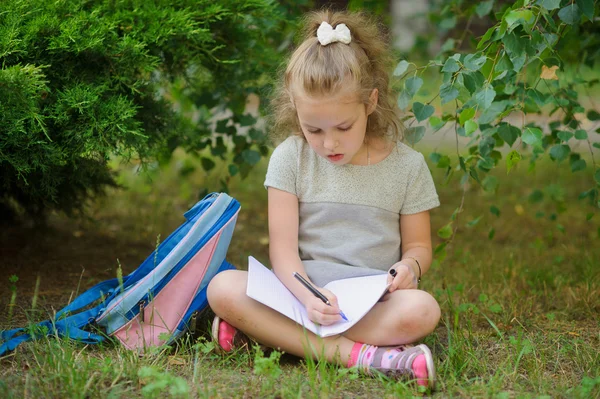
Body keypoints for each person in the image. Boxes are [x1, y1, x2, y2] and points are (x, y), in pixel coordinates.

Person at [207, 9, 441, 389]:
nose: (328, 143)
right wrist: (309, 297)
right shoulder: (290, 158)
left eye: (343, 127)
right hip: (301, 294)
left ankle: (271, 336)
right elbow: (283, 254)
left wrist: (410, 267)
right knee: (222, 287)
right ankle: (366, 357)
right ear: (294, 109)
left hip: (369, 303)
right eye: (312, 128)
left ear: (370, 102)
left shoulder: (408, 167)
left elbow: (418, 246)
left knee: (423, 309)